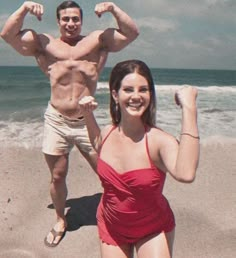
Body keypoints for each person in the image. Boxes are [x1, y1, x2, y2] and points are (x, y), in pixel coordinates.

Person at [0, 1, 139, 247]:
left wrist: (113, 9)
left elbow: (131, 33)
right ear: (58, 21)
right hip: (56, 120)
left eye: (75, 19)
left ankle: (115, 216)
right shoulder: (44, 43)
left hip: (87, 120)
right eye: (66, 19)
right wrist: (23, 8)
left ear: (81, 21)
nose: (71, 24)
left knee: (108, 173)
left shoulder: (97, 41)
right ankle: (61, 219)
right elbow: (7, 35)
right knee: (57, 175)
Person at [78, 59, 200, 258]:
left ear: (150, 95)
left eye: (143, 89)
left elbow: (186, 173)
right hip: (111, 223)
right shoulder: (108, 132)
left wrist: (189, 108)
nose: (136, 96)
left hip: (151, 227)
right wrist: (87, 115)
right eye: (128, 89)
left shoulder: (159, 141)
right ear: (115, 95)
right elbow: (97, 144)